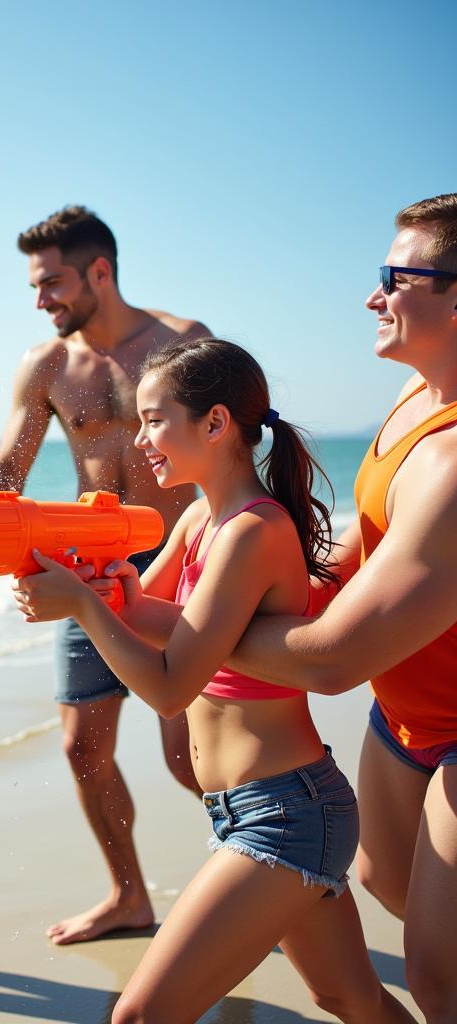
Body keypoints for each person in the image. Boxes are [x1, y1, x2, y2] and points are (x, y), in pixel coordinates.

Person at [12, 338, 415, 1023]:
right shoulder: (203, 517)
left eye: (153, 420)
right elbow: (147, 617)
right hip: (258, 808)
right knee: (348, 997)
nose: (140, 440)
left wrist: (82, 606)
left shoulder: (251, 532)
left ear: (216, 422)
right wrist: (97, 585)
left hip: (284, 814)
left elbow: (170, 687)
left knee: (138, 1015)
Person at [225, 194, 457, 1023]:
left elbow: (332, 661)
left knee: (438, 978)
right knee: (383, 879)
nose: (374, 297)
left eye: (396, 278)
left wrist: (195, 631)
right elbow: (359, 548)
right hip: (409, 718)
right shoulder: (415, 399)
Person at [0, 205, 208, 944]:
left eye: (53, 282)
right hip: (85, 562)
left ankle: (261, 876)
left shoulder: (183, 343)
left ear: (101, 271)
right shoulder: (50, 365)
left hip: (179, 561)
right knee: (82, 747)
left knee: (189, 752)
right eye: (36, 286)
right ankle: (129, 895)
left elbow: (234, 447)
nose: (41, 300)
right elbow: (9, 467)